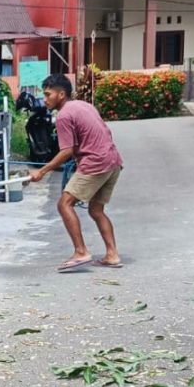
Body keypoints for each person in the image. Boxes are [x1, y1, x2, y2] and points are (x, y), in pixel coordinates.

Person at [29, 74, 124, 271]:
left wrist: (42, 171)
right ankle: (112, 255)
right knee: (96, 210)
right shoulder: (84, 105)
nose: (44, 99)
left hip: (95, 163)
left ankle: (81, 252)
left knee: (64, 204)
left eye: (48, 94)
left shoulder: (63, 115)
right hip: (113, 161)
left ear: (61, 94)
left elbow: (67, 151)